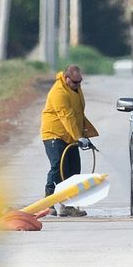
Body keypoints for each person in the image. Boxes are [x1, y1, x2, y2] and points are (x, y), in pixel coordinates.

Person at [39, 63, 99, 216]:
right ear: (66, 78)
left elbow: (78, 114)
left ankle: (67, 206)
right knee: (58, 167)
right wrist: (78, 137)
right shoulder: (58, 92)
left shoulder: (75, 89)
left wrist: (84, 135)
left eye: (80, 82)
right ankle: (48, 203)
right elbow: (67, 117)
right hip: (54, 134)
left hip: (70, 135)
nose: (78, 85)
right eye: (75, 82)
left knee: (73, 169)